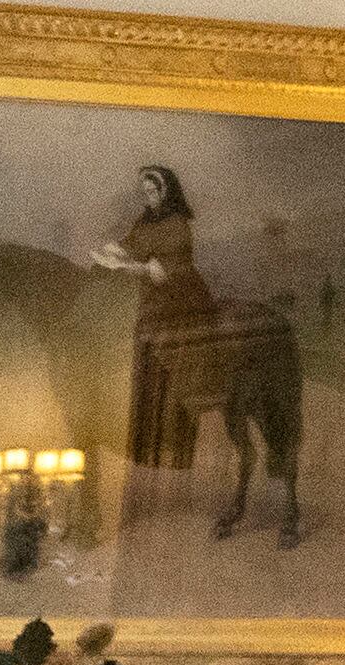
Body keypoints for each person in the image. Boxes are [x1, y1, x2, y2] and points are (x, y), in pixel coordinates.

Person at [95, 163, 220, 471]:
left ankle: (179, 442)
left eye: (153, 191)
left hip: (180, 294)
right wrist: (113, 251)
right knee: (145, 357)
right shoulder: (146, 219)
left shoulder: (177, 223)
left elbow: (163, 270)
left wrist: (126, 267)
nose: (148, 197)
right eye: (145, 192)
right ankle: (148, 443)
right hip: (152, 297)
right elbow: (132, 244)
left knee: (173, 361)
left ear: (166, 191)